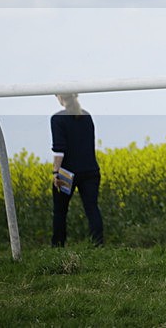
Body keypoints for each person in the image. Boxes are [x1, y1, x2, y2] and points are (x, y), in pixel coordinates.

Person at [51, 93, 104, 247]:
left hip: (67, 173)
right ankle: (98, 245)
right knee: (92, 209)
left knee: (60, 211)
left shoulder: (57, 119)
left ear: (61, 98)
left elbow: (59, 150)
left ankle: (58, 246)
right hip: (90, 171)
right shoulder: (86, 116)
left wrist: (56, 173)